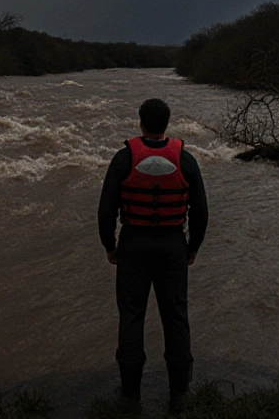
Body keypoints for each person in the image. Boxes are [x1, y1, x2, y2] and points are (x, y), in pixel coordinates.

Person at [98, 98, 208, 410]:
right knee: (175, 316)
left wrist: (110, 245)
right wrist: (193, 247)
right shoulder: (186, 160)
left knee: (131, 316)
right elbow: (200, 210)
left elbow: (106, 210)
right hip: (173, 246)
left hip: (133, 245)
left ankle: (131, 394)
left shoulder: (123, 159)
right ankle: (179, 395)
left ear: (141, 123)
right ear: (167, 123)